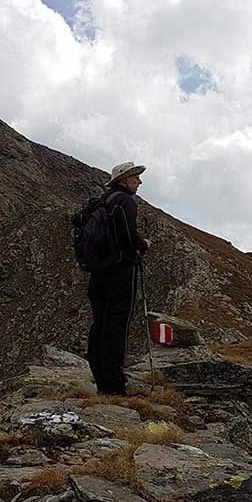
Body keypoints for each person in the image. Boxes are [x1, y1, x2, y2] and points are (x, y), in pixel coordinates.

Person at [87, 162, 152, 395]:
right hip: (120, 271)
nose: (139, 182)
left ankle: (100, 377)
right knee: (116, 326)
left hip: (99, 272)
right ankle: (113, 385)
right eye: (135, 177)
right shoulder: (125, 201)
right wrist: (142, 244)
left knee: (100, 324)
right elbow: (127, 237)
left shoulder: (104, 200)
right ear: (124, 180)